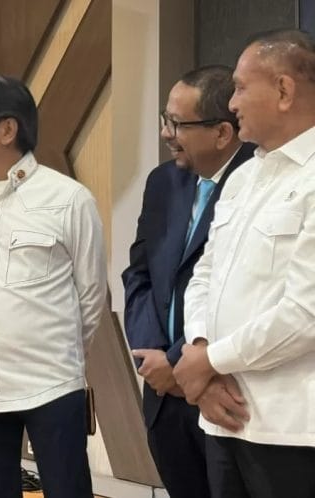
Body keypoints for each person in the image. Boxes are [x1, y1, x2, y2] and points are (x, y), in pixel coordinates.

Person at [0, 75, 106, 498]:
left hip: (49, 386)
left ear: (6, 129)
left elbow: (91, 295)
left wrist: (63, 357)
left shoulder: (69, 198)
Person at [174, 29, 315, 498]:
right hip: (222, 416)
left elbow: (306, 314)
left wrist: (208, 362)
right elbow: (205, 275)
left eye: (239, 87)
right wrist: (200, 350)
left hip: (291, 430)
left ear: (283, 90)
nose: (231, 104)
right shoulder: (243, 177)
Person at [121, 65, 255, 498]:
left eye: (177, 123)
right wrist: (151, 358)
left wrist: (181, 362)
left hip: (226, 391)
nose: (166, 133)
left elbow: (244, 292)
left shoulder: (258, 184)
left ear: (222, 133)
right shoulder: (163, 182)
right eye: (165, 119)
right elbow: (139, 274)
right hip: (163, 392)